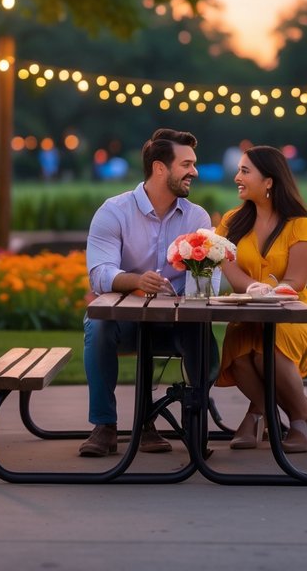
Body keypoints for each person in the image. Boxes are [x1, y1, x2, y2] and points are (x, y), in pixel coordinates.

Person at [81, 128, 220, 458]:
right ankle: (105, 426)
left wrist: (198, 286)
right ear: (161, 168)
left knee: (202, 336)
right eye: (186, 164)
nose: (194, 172)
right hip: (127, 325)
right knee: (98, 326)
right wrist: (135, 281)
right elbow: (98, 275)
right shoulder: (113, 212)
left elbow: (209, 284)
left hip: (174, 324)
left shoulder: (197, 217)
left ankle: (191, 420)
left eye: (194, 164)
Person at [216, 145, 307, 454]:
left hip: (293, 313)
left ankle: (290, 420)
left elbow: (296, 281)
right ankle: (300, 414)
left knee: (269, 352)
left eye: (245, 171)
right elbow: (232, 273)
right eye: (238, 170)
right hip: (247, 312)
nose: (237, 177)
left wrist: (271, 291)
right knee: (240, 355)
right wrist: (254, 290)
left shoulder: (299, 224)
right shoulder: (231, 223)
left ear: (269, 181)